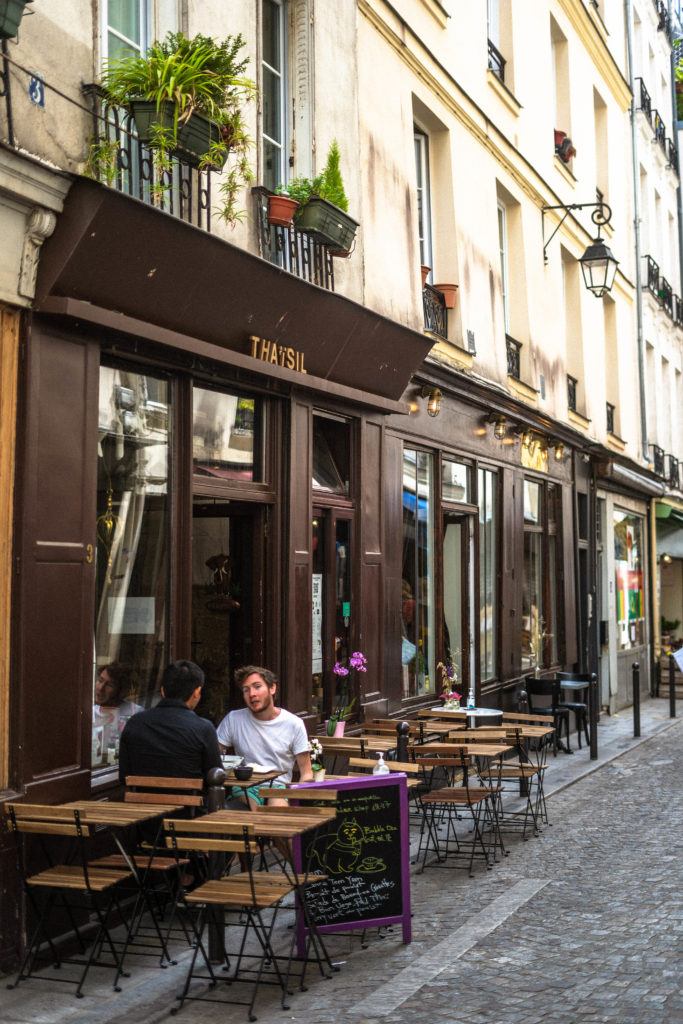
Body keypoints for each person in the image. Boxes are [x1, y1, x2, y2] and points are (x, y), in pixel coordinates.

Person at [217, 665, 312, 807]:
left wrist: (297, 799)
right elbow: (214, 753)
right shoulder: (234, 719)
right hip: (245, 786)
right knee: (250, 808)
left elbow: (306, 772)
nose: (252, 694)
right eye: (246, 690)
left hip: (279, 787)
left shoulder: (293, 723)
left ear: (272, 688)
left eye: (257, 687)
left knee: (277, 808)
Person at [118, 660, 222, 783]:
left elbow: (124, 776)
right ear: (196, 692)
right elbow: (216, 777)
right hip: (189, 795)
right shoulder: (204, 728)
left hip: (139, 795)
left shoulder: (135, 723)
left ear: (162, 691)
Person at [93, 663, 142, 766]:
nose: (101, 688)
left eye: (109, 685)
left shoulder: (135, 713)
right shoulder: (87, 711)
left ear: (120, 690)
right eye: (100, 680)